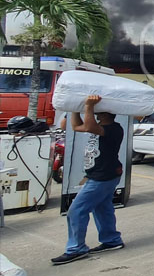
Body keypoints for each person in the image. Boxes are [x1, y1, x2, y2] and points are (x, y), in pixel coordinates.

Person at [52, 95, 125, 265]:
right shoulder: (99, 126)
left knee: (76, 211)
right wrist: (75, 109)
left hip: (103, 177)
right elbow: (76, 126)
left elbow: (90, 125)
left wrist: (88, 105)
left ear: (104, 113)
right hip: (102, 175)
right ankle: (111, 240)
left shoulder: (114, 128)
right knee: (102, 208)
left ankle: (76, 249)